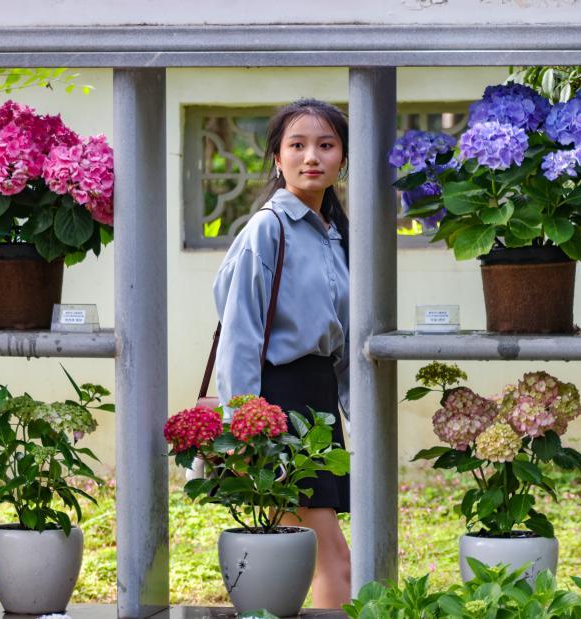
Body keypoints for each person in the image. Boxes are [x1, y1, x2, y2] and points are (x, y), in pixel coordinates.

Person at [212, 98, 351, 608]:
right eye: (297, 145)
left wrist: (357, 412)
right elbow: (239, 335)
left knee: (301, 558)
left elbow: (343, 338)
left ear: (342, 158)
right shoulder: (267, 228)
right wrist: (243, 425)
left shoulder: (335, 234)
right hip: (279, 402)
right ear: (277, 158)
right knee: (330, 556)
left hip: (318, 399)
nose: (311, 156)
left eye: (325, 145)